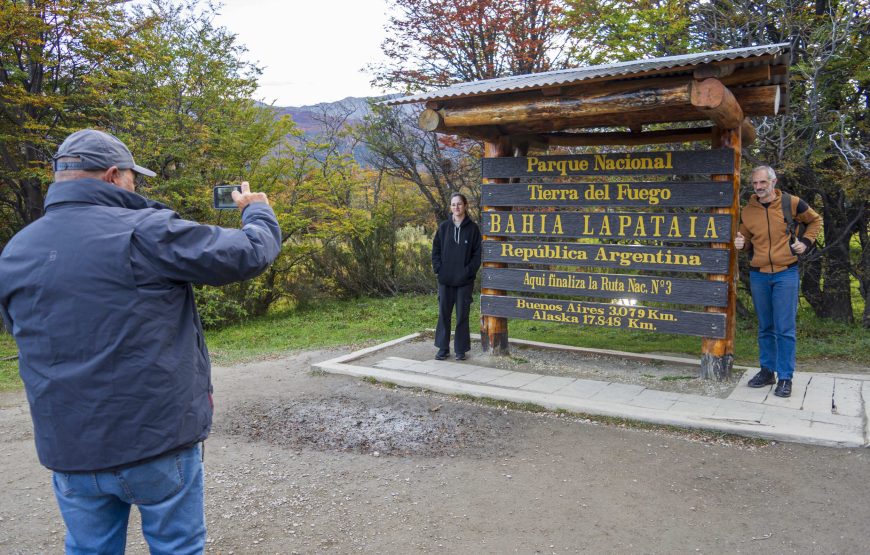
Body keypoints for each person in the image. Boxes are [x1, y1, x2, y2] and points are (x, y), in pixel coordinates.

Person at [0, 129, 282, 553]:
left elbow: (17, 325)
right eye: (133, 176)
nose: (136, 184)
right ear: (114, 176)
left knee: (88, 549)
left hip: (69, 445)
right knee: (176, 547)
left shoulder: (17, 250)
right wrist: (257, 212)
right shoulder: (145, 231)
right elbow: (248, 253)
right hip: (155, 440)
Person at [734, 165, 822, 398]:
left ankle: (785, 377)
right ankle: (767, 371)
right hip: (759, 274)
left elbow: (815, 221)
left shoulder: (791, 203)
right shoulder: (748, 210)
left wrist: (805, 242)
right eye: (755, 183)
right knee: (765, 327)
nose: (758, 187)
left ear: (773, 182)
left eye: (762, 182)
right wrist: (741, 244)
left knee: (784, 328)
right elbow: (746, 239)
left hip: (786, 272)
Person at [432, 192, 482, 361]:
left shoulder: (473, 229)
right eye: (453, 204)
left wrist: (469, 272)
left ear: (465, 206)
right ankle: (443, 348)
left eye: (459, 204)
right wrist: (439, 269)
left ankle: (461, 349)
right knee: (444, 314)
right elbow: (436, 250)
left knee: (462, 315)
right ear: (450, 207)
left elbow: (477, 255)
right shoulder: (444, 227)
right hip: (446, 280)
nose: (456, 207)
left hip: (464, 281)